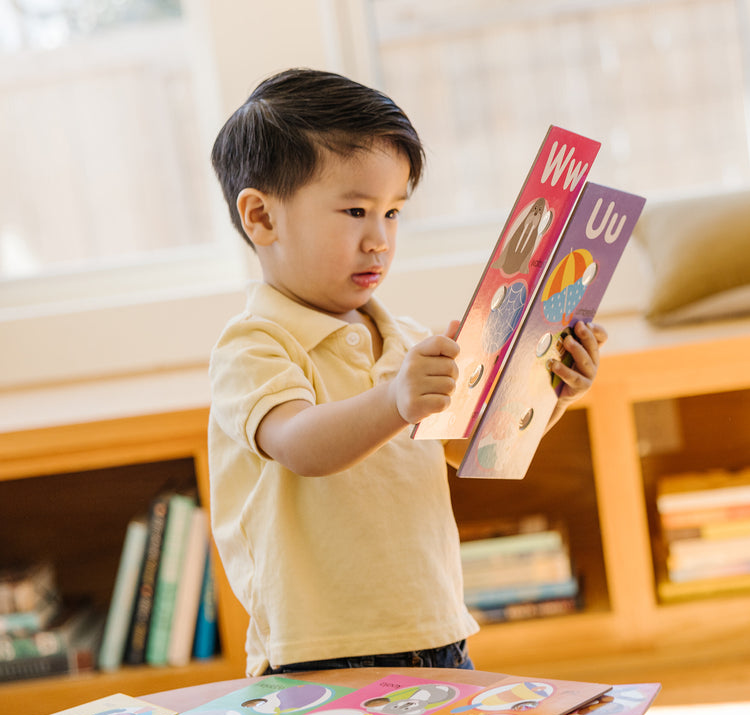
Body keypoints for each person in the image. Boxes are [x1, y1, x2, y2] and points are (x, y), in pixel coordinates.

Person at [208, 68, 607, 677]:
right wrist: (398, 400)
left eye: (394, 213)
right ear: (262, 218)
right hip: (317, 654)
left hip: (438, 632)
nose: (380, 240)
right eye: (355, 210)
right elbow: (298, 445)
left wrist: (553, 390)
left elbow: (475, 449)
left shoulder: (407, 340)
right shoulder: (253, 344)